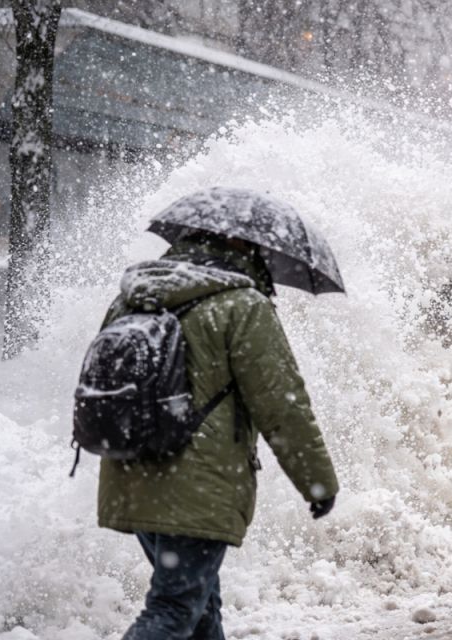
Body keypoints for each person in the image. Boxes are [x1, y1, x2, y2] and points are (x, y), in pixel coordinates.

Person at [97, 227, 339, 640]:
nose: (264, 254)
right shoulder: (242, 306)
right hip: (196, 488)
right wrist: (316, 482)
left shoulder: (132, 297)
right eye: (258, 245)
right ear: (240, 245)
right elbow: (281, 404)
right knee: (174, 611)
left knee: (201, 611)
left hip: (131, 474)